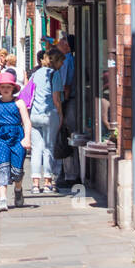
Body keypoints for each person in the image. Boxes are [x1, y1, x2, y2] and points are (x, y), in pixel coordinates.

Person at [0, 72, 32, 211]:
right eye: (3, 87)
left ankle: (18, 190)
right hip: (1, 139)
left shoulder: (19, 103)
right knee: (2, 168)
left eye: (8, 87)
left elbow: (27, 122)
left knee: (17, 171)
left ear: (13, 88)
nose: (5, 89)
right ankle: (3, 199)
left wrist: (27, 138)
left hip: (18, 137)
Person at [28, 47, 64, 196]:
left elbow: (29, 93)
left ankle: (35, 184)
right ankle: (48, 182)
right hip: (49, 115)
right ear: (56, 61)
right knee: (48, 148)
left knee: (36, 149)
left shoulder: (35, 74)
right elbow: (56, 99)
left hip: (34, 115)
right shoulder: (54, 75)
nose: (62, 64)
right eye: (62, 61)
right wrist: (61, 115)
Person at [55, 33, 80, 188]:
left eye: (63, 40)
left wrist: (60, 106)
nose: (60, 41)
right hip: (73, 101)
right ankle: (70, 173)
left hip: (68, 102)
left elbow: (65, 86)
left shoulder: (66, 61)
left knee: (67, 137)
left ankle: (70, 175)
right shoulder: (71, 59)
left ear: (68, 46)